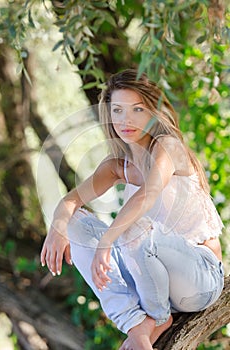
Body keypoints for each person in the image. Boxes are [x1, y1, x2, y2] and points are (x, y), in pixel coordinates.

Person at [40, 69, 224, 350]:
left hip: (199, 277)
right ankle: (136, 323)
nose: (126, 120)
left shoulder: (169, 146)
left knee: (131, 224)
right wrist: (58, 226)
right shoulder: (116, 165)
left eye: (137, 109)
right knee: (76, 221)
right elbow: (70, 201)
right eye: (118, 110)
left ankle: (157, 318)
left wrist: (106, 241)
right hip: (149, 280)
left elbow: (148, 195)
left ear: (153, 111)